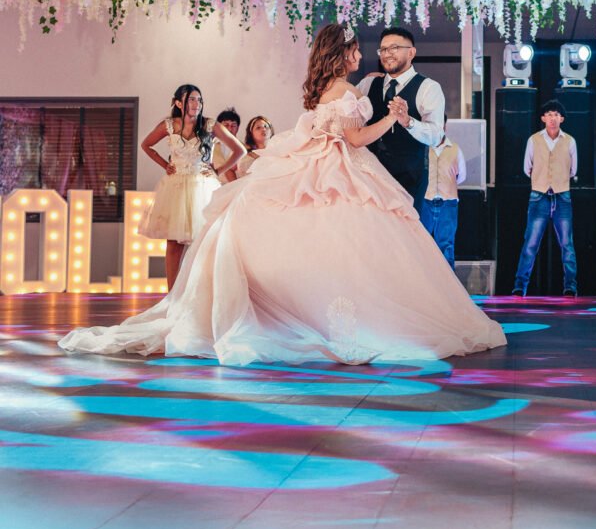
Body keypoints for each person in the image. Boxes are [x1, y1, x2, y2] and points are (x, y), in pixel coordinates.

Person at [60, 24, 506, 365]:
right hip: (346, 166)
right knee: (358, 245)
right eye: (358, 49)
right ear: (342, 54)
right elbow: (353, 138)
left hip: (334, 164)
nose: (368, 54)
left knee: (336, 243)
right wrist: (391, 118)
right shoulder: (352, 90)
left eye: (388, 49)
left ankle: (322, 311)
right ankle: (348, 318)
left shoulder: (325, 88)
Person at [138, 85, 245, 290]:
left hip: (201, 186)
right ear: (179, 103)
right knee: (174, 244)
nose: (197, 104)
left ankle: (199, 292)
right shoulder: (169, 125)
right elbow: (146, 145)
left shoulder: (209, 125)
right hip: (176, 187)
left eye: (199, 100)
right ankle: (171, 295)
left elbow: (238, 149)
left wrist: (218, 169)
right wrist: (165, 165)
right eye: (192, 100)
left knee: (203, 242)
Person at [356, 26, 445, 214]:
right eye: (383, 49)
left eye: (394, 48)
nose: (387, 54)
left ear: (411, 52)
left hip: (409, 180)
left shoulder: (429, 88)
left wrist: (408, 122)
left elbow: (436, 137)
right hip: (369, 178)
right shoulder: (368, 84)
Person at [511, 100, 578, 297]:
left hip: (562, 194)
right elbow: (527, 168)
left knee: (567, 244)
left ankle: (570, 286)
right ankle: (520, 286)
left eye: (556, 115)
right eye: (549, 114)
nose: (552, 118)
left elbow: (573, 169)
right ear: (543, 118)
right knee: (530, 243)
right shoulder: (534, 140)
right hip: (539, 194)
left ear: (562, 118)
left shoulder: (570, 141)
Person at [421, 117, 466, 271]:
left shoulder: (455, 148)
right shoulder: (423, 148)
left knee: (446, 246)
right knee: (421, 244)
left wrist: (447, 186)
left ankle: (449, 290)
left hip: (448, 202)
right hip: (426, 201)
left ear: (444, 125)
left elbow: (461, 176)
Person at [211, 108, 242, 184]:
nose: (229, 129)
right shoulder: (210, 144)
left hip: (236, 188)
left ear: (238, 128)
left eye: (233, 126)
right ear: (219, 127)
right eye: (226, 125)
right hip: (213, 186)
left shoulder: (244, 148)